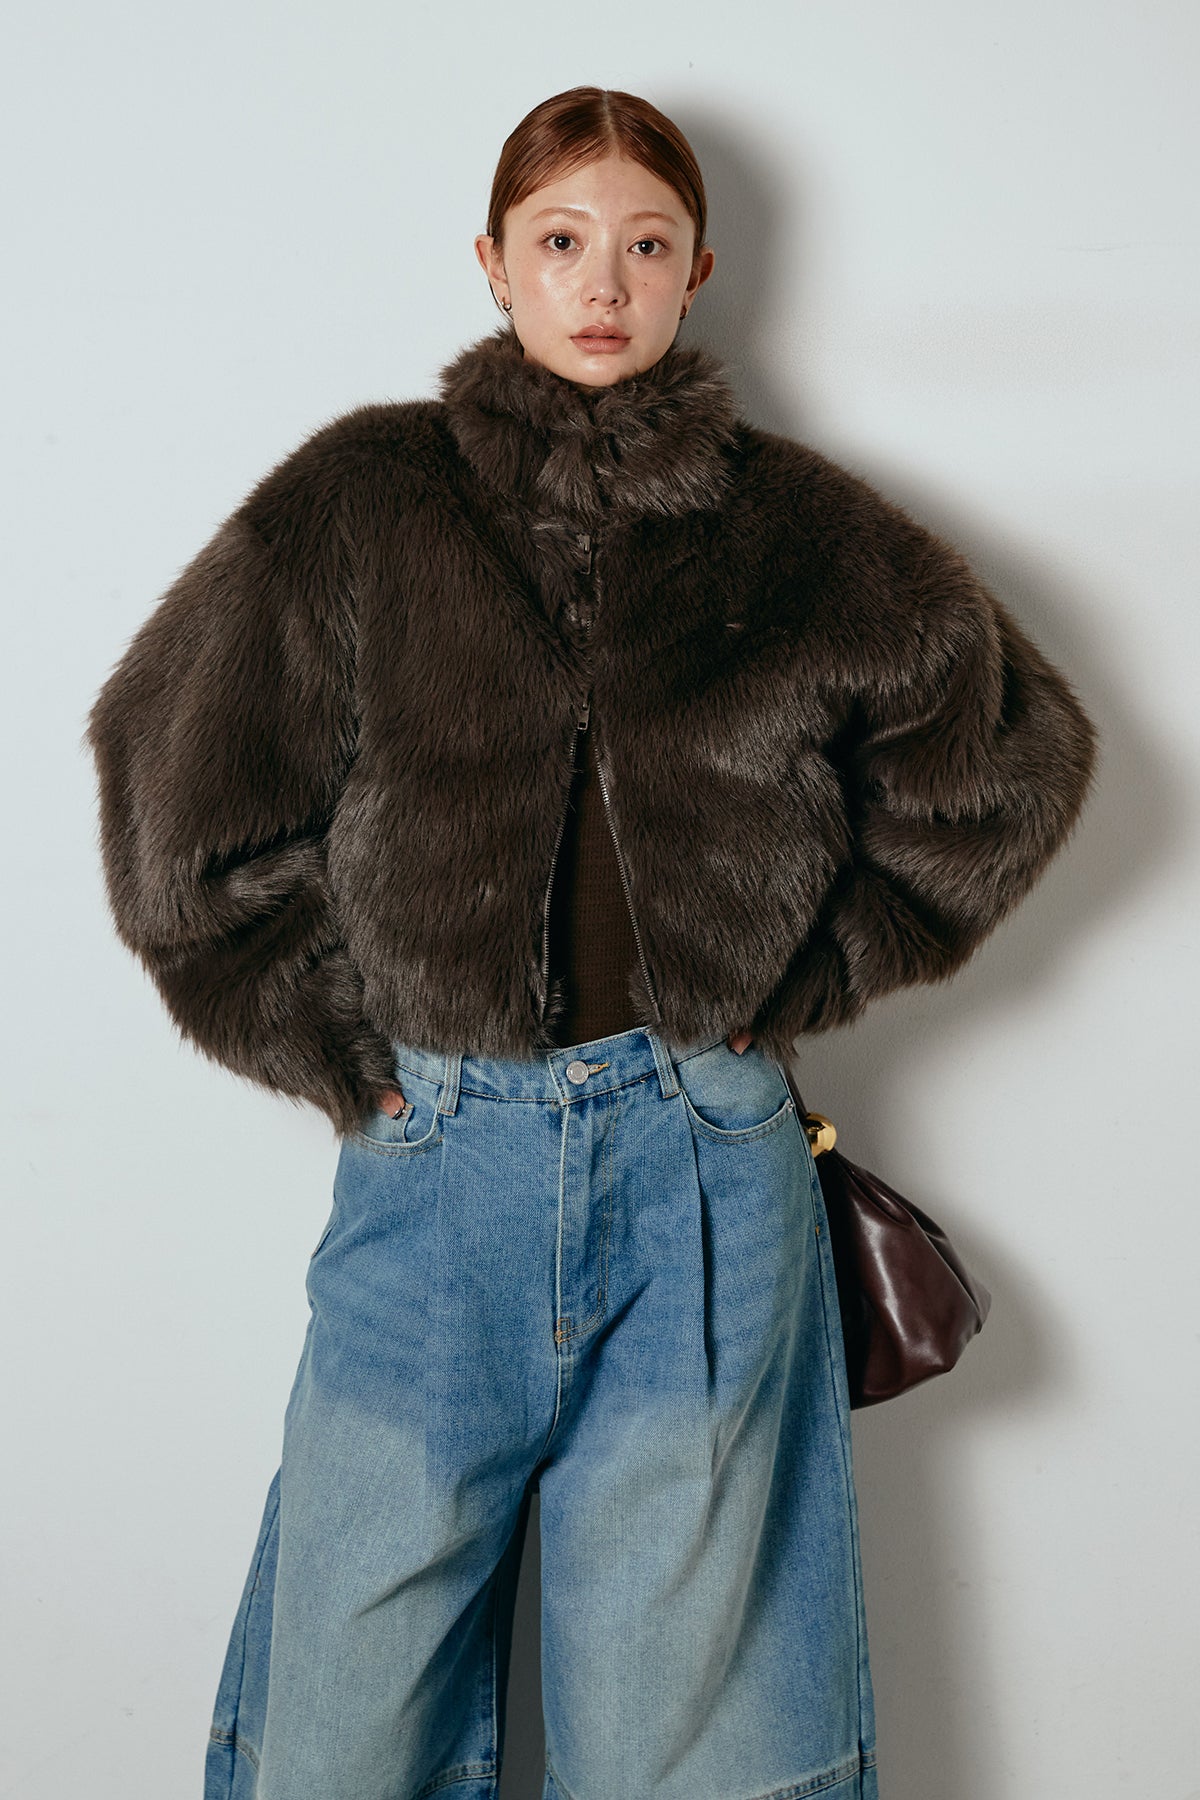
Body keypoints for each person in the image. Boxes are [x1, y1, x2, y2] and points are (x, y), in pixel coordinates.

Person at [84, 85, 1096, 1800]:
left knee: (694, 1714)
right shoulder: (363, 501)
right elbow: (168, 779)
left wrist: (810, 970)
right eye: (561, 241)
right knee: (348, 1701)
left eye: (643, 243)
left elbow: (1011, 761)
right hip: (434, 1156)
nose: (603, 281)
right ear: (495, 265)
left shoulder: (798, 529)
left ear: (697, 269)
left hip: (707, 1164)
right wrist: (325, 1042)